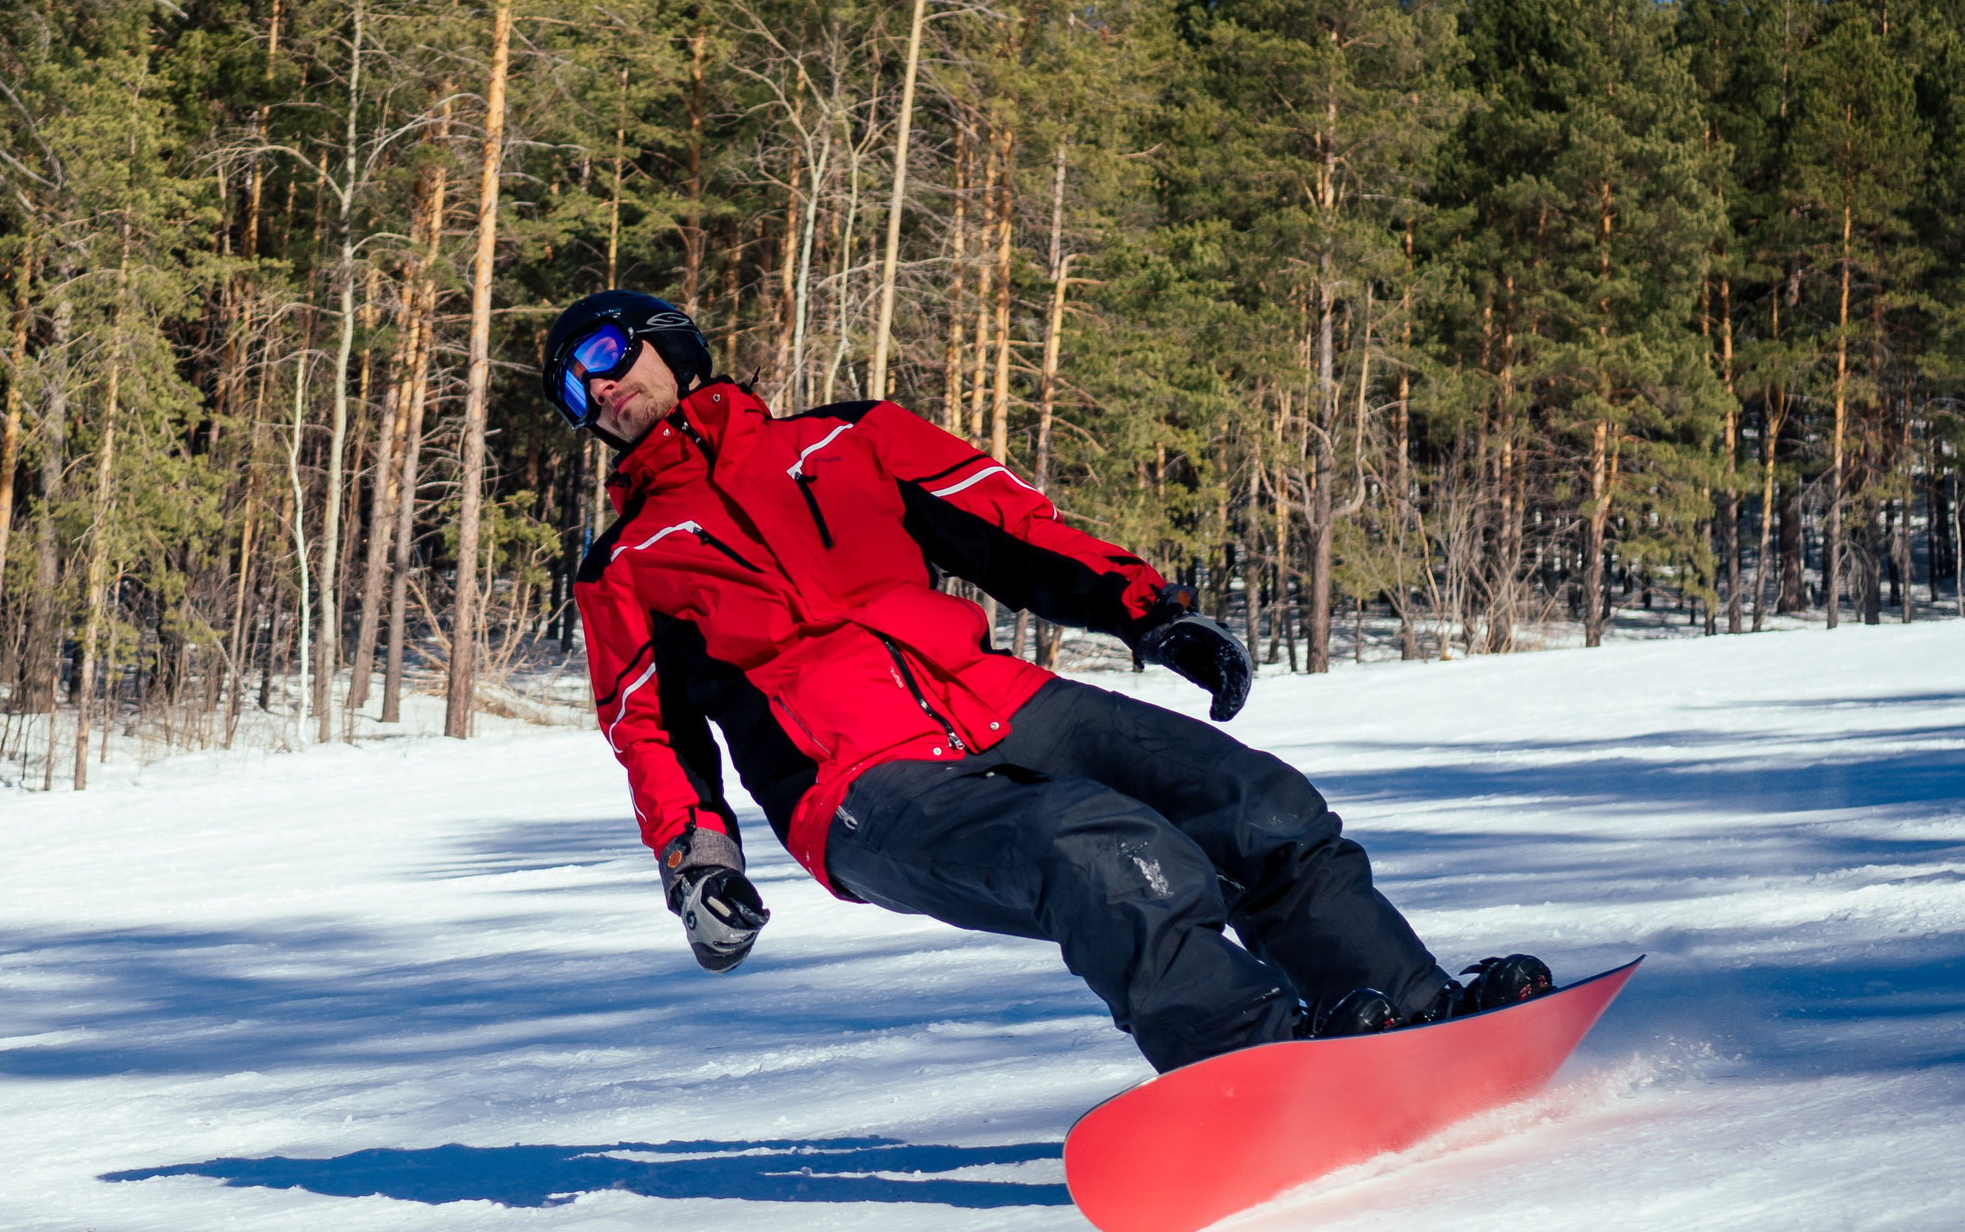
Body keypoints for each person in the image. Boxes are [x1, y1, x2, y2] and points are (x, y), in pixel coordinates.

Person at [547, 290, 1549, 1073]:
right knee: (1098, 847)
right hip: (854, 786)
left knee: (1252, 802)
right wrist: (698, 865)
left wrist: (1149, 611)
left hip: (998, 698)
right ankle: (1255, 1056)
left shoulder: (849, 440)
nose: (598, 388)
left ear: (667, 339)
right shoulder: (623, 563)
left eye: (604, 354)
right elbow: (650, 729)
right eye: (574, 391)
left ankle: (1415, 1010)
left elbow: (1012, 529)